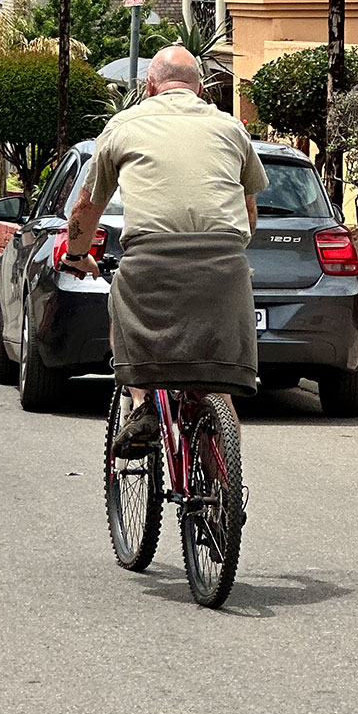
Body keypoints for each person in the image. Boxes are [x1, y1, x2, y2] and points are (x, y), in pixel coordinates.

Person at [62, 43, 267, 454]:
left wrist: (74, 253)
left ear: (149, 87)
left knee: (122, 304)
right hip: (223, 261)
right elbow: (248, 211)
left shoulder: (124, 126)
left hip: (151, 257)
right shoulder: (231, 128)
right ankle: (225, 505)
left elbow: (88, 207)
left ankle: (140, 405)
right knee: (218, 391)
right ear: (201, 90)